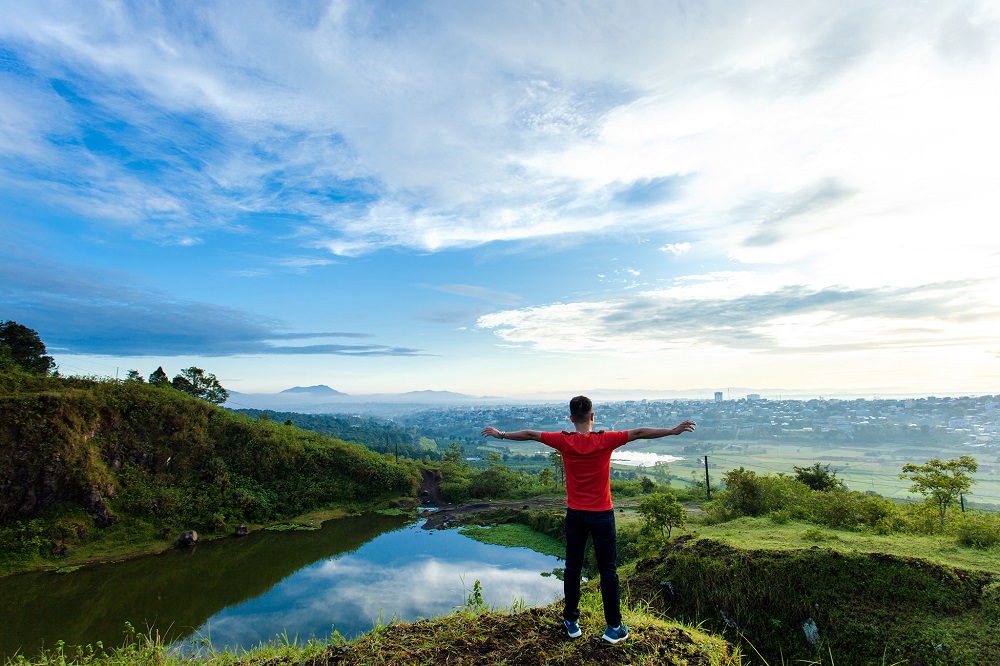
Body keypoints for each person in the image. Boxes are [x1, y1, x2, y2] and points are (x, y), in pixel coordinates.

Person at [481, 395, 695, 644]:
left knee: (572, 568)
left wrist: (501, 434)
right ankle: (613, 627)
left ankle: (571, 622)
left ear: (572, 419)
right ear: (593, 416)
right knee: (608, 571)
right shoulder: (605, 440)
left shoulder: (563, 440)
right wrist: (673, 431)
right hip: (602, 515)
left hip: (575, 515)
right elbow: (638, 432)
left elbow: (530, 434)